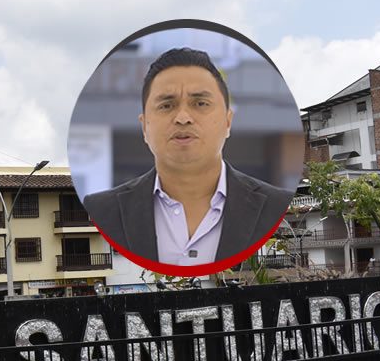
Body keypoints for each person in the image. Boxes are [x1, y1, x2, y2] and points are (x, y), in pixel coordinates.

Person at [82, 47, 293, 266]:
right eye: (166, 105)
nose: (183, 118)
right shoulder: (102, 210)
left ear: (228, 122)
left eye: (200, 103)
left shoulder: (277, 205)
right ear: (144, 126)